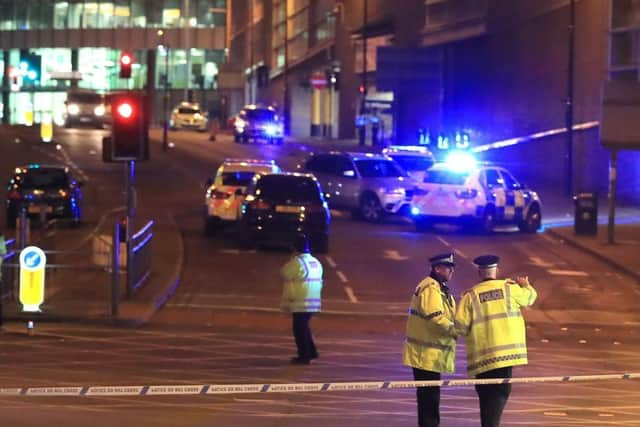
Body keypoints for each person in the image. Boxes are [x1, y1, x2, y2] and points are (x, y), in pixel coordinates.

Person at [454, 255, 537, 427]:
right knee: (499, 397)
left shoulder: (470, 296)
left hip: (483, 359)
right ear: (497, 270)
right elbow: (530, 298)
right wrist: (526, 285)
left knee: (486, 399)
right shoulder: (509, 289)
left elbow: (459, 326)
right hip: (505, 356)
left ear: (479, 272)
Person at [403, 253, 458, 427]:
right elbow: (436, 318)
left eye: (452, 268)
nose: (451, 271)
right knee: (429, 402)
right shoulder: (431, 288)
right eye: (448, 268)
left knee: (430, 401)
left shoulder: (437, 287)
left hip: (429, 356)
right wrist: (456, 330)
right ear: (437, 269)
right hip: (425, 355)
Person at [280, 234, 323, 365]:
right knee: (304, 327)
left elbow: (284, 273)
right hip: (312, 300)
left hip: (300, 301)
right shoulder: (315, 262)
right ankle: (311, 351)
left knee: (299, 329)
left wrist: (291, 259)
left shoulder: (298, 262)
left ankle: (304, 356)